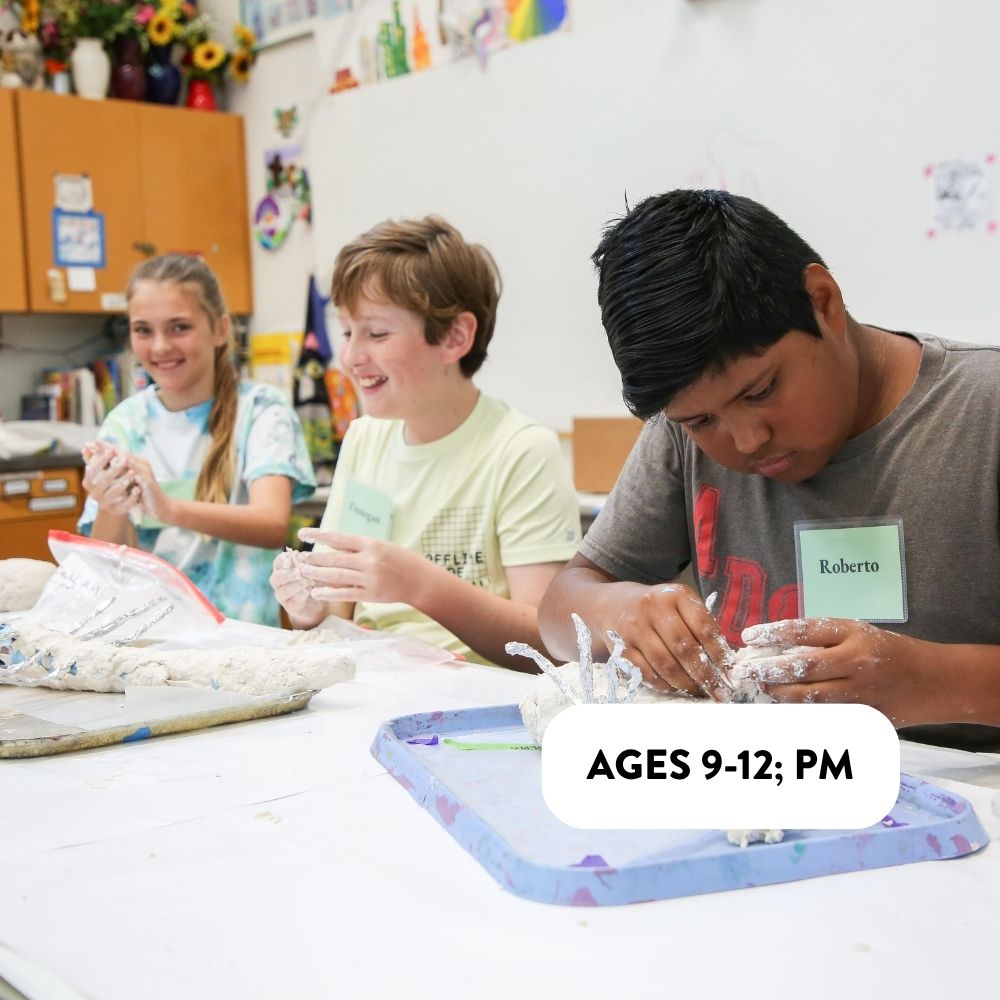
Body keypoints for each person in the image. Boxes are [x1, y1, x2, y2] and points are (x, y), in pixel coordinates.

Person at [538, 189, 1000, 751]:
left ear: (823, 302)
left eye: (761, 391)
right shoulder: (681, 434)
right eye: (703, 420)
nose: (747, 440)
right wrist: (619, 612)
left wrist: (938, 681)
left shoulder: (985, 411)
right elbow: (560, 609)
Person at [270, 215, 581, 668]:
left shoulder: (522, 450)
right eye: (347, 332)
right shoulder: (364, 439)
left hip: (478, 696)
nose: (352, 356)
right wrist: (307, 606)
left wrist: (420, 584)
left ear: (455, 337)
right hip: (377, 683)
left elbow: (548, 642)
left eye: (377, 333)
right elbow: (336, 613)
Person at [79, 254, 316, 627]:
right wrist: (110, 504)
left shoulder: (261, 411)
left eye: (179, 327)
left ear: (220, 330)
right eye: (143, 330)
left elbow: (271, 524)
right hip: (151, 637)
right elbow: (107, 563)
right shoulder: (124, 424)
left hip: (243, 639)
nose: (160, 346)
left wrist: (168, 508)